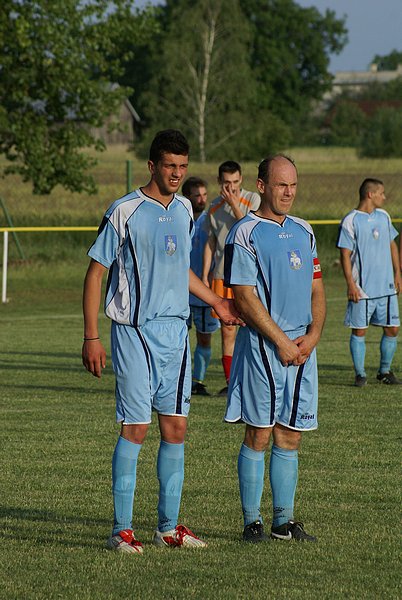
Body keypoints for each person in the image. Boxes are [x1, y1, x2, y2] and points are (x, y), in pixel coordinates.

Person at [82, 129, 242, 554]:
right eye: (170, 166)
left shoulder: (187, 209)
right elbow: (96, 272)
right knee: (135, 427)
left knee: (176, 428)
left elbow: (179, 272)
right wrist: (91, 336)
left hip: (176, 332)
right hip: (134, 332)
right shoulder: (125, 210)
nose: (177, 173)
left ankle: (168, 527)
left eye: (183, 166)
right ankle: (121, 529)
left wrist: (218, 304)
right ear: (153, 165)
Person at [224, 155, 326, 543]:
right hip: (265, 347)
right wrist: (281, 341)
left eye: (294, 185)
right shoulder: (245, 232)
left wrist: (313, 336)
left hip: (302, 347)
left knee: (291, 433)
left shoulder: (304, 230)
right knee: (260, 433)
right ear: (262, 186)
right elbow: (244, 297)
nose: (289, 192)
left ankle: (284, 522)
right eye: (282, 184)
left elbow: (317, 289)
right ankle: (252, 523)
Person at [202, 161, 260, 395]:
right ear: (220, 183)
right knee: (227, 330)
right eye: (227, 183)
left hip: (248, 276)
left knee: (253, 326)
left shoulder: (252, 200)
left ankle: (254, 379)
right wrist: (206, 273)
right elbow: (211, 242)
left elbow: (249, 229)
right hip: (222, 275)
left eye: (235, 182)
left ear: (241, 180)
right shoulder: (214, 208)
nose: (232, 187)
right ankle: (231, 384)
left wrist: (235, 205)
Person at [337, 178, 401, 386]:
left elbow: (392, 245)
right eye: (381, 193)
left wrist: (397, 273)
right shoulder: (351, 220)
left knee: (392, 329)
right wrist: (350, 284)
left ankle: (384, 371)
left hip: (386, 287)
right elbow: (345, 255)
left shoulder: (384, 216)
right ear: (370, 194)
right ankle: (360, 374)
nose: (384, 197)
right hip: (362, 289)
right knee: (360, 331)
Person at [182, 176, 220, 396]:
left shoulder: (211, 219)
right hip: (182, 293)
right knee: (179, 340)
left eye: (205, 195)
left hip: (205, 293)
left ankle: (198, 381)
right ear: (188, 196)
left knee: (205, 338)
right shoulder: (180, 217)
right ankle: (182, 379)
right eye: (197, 195)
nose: (202, 199)